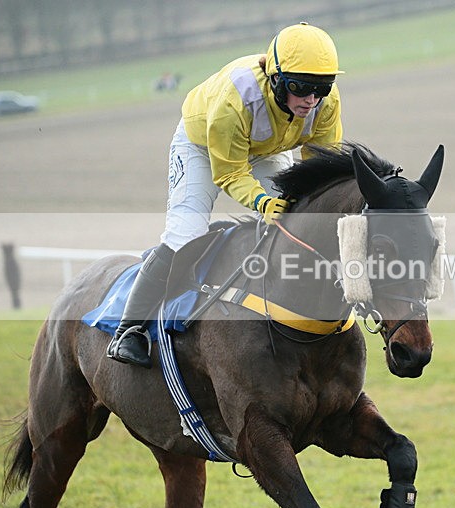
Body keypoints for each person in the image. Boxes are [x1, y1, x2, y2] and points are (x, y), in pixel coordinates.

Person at [107, 22, 344, 368]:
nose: (311, 99)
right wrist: (263, 202)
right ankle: (129, 330)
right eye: (301, 87)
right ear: (276, 79)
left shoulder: (325, 103)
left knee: (292, 220)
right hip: (202, 146)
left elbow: (321, 167)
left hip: (267, 148)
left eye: (321, 88)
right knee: (184, 233)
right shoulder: (235, 99)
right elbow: (230, 172)